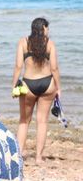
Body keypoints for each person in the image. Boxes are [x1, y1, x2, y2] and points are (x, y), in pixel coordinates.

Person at [11, 17, 61, 164]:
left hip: (28, 85)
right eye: (47, 28)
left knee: (23, 121)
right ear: (43, 28)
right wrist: (59, 87)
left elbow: (18, 66)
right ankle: (38, 157)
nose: (48, 31)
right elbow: (54, 68)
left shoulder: (23, 42)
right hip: (47, 84)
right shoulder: (50, 44)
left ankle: (19, 156)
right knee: (42, 121)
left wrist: (14, 85)